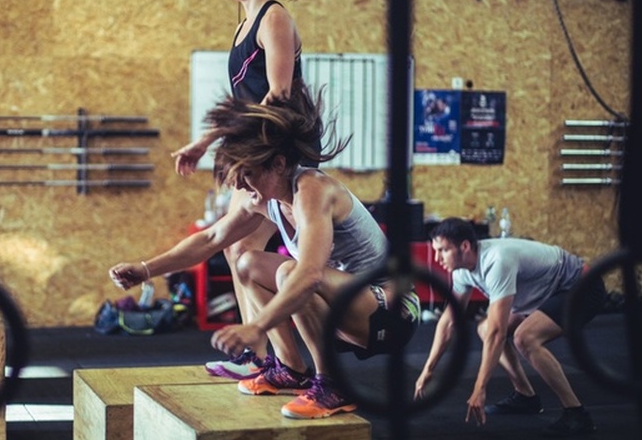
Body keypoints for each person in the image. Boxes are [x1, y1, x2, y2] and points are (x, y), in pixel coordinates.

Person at [110, 89, 420, 419]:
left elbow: (310, 274)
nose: (244, 188)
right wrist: (146, 269)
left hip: (392, 313)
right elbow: (211, 238)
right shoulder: (264, 194)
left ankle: (334, 385)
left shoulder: (313, 190)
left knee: (293, 273)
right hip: (346, 307)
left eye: (249, 176)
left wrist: (256, 327)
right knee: (247, 262)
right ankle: (292, 368)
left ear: (279, 164)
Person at [170, 0, 320, 381]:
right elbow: (242, 104)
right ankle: (275, 360)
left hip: (278, 156)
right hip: (252, 152)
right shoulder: (243, 26)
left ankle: (294, 365)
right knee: (237, 250)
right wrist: (206, 142)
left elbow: (278, 95)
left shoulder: (273, 18)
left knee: (262, 256)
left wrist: (225, 141)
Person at [414, 217, 606, 436]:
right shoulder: (461, 271)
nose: (437, 258)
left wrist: (480, 388)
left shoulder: (497, 261)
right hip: (548, 292)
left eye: (443, 250)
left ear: (464, 246)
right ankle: (525, 396)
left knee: (524, 338)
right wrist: (428, 370)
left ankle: (576, 413)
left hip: (582, 287)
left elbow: (498, 332)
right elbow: (449, 321)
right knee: (484, 328)